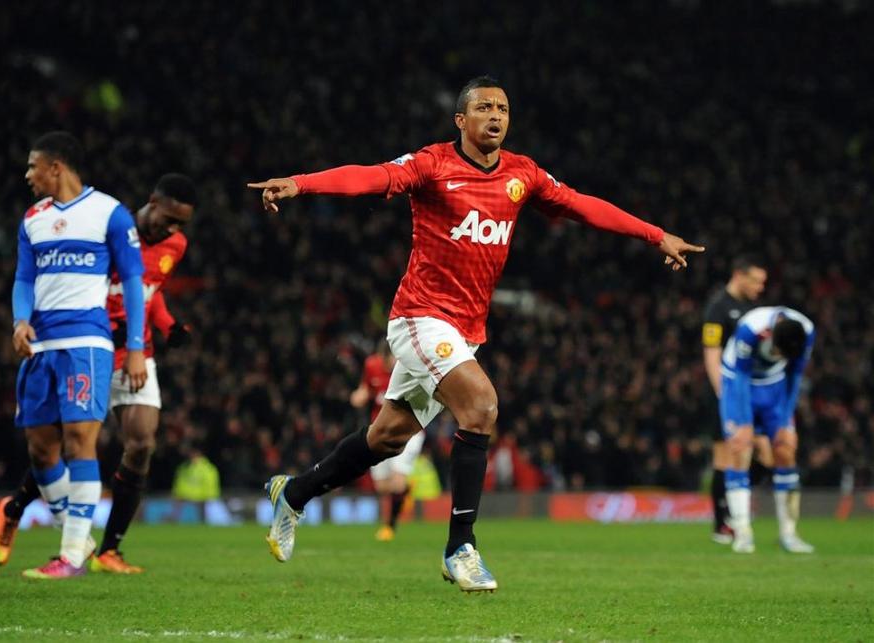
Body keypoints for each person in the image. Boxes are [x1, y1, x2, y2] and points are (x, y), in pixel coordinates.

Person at [248, 76, 704, 592]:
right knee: (482, 405)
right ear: (461, 120)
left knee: (387, 438)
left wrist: (655, 235)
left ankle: (294, 493)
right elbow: (372, 177)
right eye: (484, 107)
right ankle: (459, 548)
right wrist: (301, 183)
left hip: (466, 331)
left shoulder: (522, 174)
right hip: (419, 317)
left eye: (503, 108)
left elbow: (581, 205)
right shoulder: (432, 164)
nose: (496, 116)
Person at [0, 173, 197, 575]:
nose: (173, 230)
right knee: (67, 443)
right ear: (152, 201)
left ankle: (109, 550)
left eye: (181, 224)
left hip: (136, 356)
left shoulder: (176, 245)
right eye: (169, 219)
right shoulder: (108, 229)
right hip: (91, 350)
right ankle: (15, 508)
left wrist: (168, 325)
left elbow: (151, 291)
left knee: (142, 443)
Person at [4, 131, 147, 579]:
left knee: (79, 441)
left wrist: (136, 348)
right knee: (40, 449)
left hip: (86, 341)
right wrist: (20, 320)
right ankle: (77, 537)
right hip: (39, 343)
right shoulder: (33, 219)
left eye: (33, 166)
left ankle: (69, 556)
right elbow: (24, 279)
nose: (27, 175)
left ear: (56, 167)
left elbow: (134, 283)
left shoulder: (110, 213)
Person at [720, 306, 816, 554]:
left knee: (786, 449)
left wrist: (784, 422)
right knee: (740, 448)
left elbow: (795, 375)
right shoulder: (751, 328)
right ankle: (743, 534)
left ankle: (789, 535)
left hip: (774, 387)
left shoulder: (806, 332)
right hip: (738, 384)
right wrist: (743, 422)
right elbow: (741, 374)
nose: (777, 355)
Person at [701, 255, 767, 543]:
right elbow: (711, 352)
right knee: (724, 456)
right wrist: (723, 393)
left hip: (752, 391)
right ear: (739, 275)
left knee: (766, 454)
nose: (759, 287)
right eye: (755, 281)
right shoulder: (718, 307)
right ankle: (722, 524)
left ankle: (734, 503)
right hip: (726, 392)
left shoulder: (753, 309)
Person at [349, 341, 423, 542]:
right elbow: (366, 388)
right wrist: (359, 396)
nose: (392, 364)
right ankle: (405, 490)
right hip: (381, 429)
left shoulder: (411, 366)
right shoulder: (371, 365)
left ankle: (390, 527)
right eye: (388, 360)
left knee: (396, 481)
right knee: (382, 486)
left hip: (409, 430)